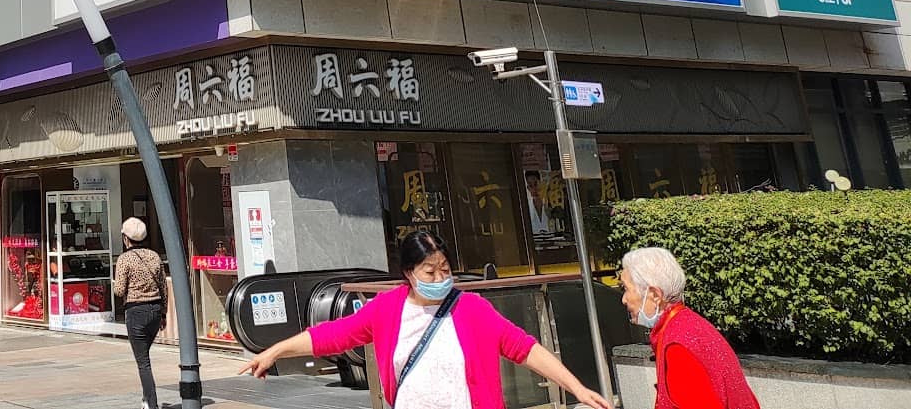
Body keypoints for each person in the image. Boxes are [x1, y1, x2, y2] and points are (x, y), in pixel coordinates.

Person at [240, 230, 608, 409]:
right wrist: (275, 351)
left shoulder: (473, 308)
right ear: (408, 273)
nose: (439, 279)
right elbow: (332, 336)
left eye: (445, 269)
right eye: (429, 272)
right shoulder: (386, 309)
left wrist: (576, 388)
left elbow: (524, 348)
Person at [620, 247, 759, 409]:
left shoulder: (677, 345)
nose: (624, 299)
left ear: (655, 295)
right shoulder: (684, 324)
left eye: (626, 288)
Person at [113, 217, 167, 409]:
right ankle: (147, 399)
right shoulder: (154, 256)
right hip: (155, 308)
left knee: (143, 361)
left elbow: (119, 290)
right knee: (144, 356)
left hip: (135, 311)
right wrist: (163, 314)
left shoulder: (124, 259)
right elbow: (162, 287)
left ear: (126, 238)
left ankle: (150, 402)